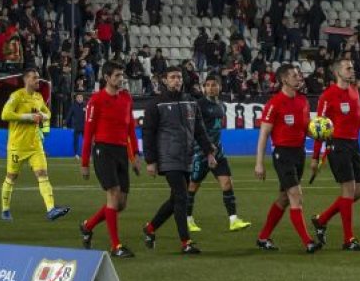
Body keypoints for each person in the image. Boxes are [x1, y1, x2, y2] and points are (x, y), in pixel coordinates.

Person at [311, 58, 360, 251]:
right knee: (348, 190)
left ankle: (321, 219)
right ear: (338, 72)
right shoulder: (327, 96)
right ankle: (349, 240)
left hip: (354, 145)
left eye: (352, 67)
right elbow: (320, 128)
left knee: (359, 191)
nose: (352, 70)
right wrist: (315, 156)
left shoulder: (354, 91)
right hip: (337, 145)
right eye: (348, 68)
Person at [141, 67, 216, 254]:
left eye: (179, 77)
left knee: (176, 199)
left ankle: (150, 228)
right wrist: (150, 160)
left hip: (187, 157)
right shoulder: (155, 104)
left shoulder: (191, 101)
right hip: (168, 157)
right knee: (182, 196)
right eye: (173, 77)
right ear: (164, 81)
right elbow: (148, 134)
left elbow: (199, 130)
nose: (177, 80)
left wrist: (209, 151)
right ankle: (186, 242)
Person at [253, 65, 322, 253]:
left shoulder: (303, 102)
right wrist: (259, 163)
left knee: (284, 198)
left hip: (299, 153)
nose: (299, 78)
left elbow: (305, 128)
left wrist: (319, 134)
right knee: (296, 196)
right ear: (284, 80)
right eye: (294, 75)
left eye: (299, 75)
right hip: (282, 154)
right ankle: (308, 242)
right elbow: (264, 134)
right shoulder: (274, 103)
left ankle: (263, 237)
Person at [78, 61, 141, 258]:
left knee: (121, 204)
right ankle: (116, 246)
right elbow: (88, 134)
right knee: (113, 194)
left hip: (122, 151)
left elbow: (131, 128)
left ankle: (87, 226)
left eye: (121, 75)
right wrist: (84, 163)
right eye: (116, 75)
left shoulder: (126, 98)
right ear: (106, 78)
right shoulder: (95, 101)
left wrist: (135, 155)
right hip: (103, 151)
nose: (120, 79)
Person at [0, 67, 71, 222]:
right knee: (11, 177)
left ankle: (51, 209)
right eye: (34, 78)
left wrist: (43, 115)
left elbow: (48, 113)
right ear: (26, 80)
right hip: (17, 146)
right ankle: (5, 209)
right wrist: (29, 117)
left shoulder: (38, 97)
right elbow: (5, 114)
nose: (37, 80)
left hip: (35, 146)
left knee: (43, 175)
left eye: (38, 77)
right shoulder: (16, 96)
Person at [186, 75, 251, 232]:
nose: (210, 88)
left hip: (218, 152)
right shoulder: (199, 105)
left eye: (213, 85)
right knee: (192, 186)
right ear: (203, 88)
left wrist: (215, 149)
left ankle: (233, 220)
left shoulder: (220, 105)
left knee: (227, 183)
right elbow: (194, 129)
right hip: (201, 153)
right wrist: (205, 149)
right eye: (207, 85)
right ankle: (187, 219)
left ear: (220, 87)